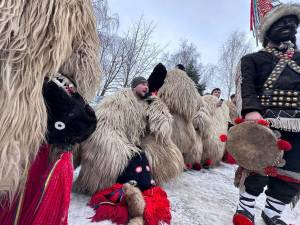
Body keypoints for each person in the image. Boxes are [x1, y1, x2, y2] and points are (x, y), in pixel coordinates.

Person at [233, 1, 300, 225]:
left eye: (293, 22)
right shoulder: (252, 60)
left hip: (298, 125)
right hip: (264, 122)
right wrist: (251, 112)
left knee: (293, 170)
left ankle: (272, 212)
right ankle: (246, 206)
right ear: (268, 29)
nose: (289, 25)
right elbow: (247, 87)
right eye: (282, 21)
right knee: (257, 165)